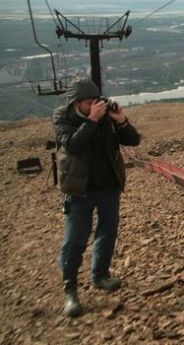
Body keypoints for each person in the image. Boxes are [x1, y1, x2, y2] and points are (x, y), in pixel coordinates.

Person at [54, 78, 141, 317]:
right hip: (79, 190)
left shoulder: (104, 117)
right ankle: (70, 289)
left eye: (96, 101)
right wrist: (92, 119)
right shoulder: (63, 117)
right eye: (88, 103)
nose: (94, 106)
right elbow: (72, 145)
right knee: (75, 240)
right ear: (76, 103)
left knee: (107, 231)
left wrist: (121, 121)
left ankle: (100, 275)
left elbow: (133, 140)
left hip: (108, 186)